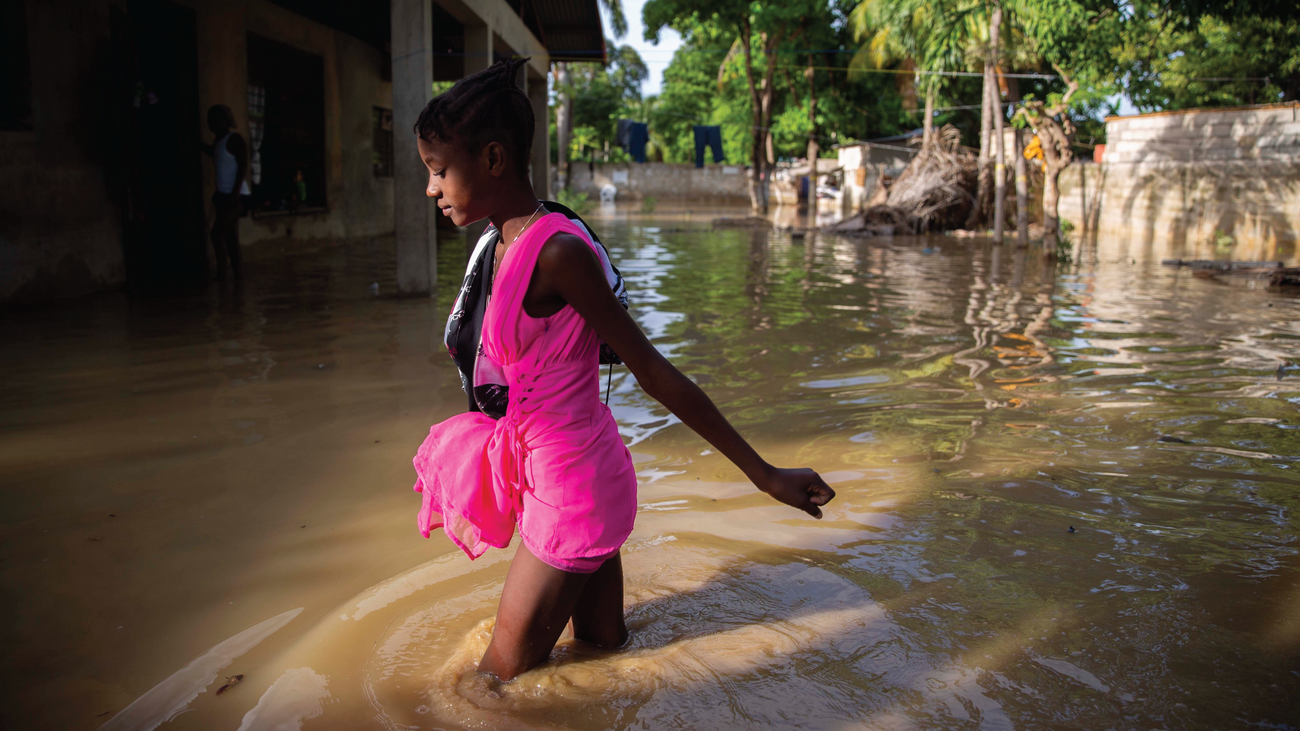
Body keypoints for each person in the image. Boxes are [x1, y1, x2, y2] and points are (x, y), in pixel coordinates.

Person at [408, 59, 835, 682]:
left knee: (489, 687)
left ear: (494, 159)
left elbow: (654, 373)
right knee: (603, 657)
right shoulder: (499, 245)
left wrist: (764, 474)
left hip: (571, 488)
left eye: (439, 171)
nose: (431, 188)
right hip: (567, 470)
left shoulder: (557, 252)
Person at [200, 104, 250, 280]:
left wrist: (235, 194)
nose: (209, 123)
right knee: (230, 238)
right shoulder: (218, 142)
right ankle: (238, 280)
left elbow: (243, 165)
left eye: (213, 119)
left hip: (235, 195)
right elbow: (212, 152)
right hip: (223, 195)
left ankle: (222, 278)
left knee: (217, 235)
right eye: (208, 119)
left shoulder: (234, 139)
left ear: (223, 121)